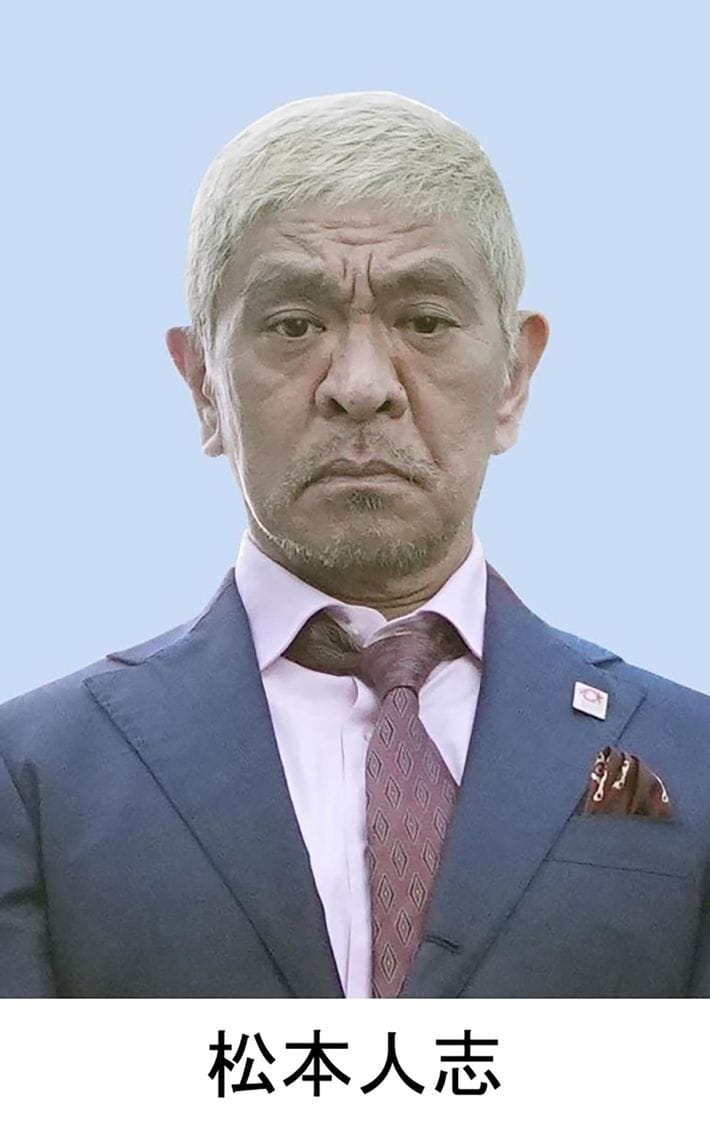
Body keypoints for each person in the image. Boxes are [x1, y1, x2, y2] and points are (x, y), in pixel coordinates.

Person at [2, 92, 709, 999]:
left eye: (426, 321)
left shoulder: (686, 755)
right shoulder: (38, 776)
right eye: (294, 325)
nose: (362, 385)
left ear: (514, 377)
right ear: (204, 385)